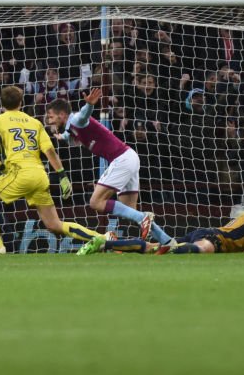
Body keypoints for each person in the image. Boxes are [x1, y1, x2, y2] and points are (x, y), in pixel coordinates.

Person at [0, 85, 104, 255]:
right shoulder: (35, 122)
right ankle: (101, 238)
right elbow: (50, 151)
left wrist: (1, 167)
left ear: (2, 103)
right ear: (21, 102)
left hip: (19, 173)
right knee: (54, 225)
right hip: (40, 176)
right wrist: (63, 176)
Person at [44, 88, 174, 252]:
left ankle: (143, 218)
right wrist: (61, 136)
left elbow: (83, 116)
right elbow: (70, 137)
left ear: (62, 114)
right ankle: (167, 240)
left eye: (51, 116)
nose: (49, 120)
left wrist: (89, 105)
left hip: (121, 159)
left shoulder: (76, 119)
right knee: (129, 210)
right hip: (130, 157)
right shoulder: (72, 128)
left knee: (95, 202)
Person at [81, 192, 244, 255]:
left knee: (153, 248)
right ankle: (170, 247)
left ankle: (107, 243)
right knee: (196, 250)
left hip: (208, 233)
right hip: (212, 239)